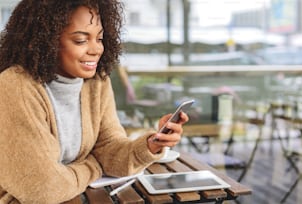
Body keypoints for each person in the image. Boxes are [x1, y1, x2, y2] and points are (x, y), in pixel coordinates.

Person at [0, 0, 189, 203]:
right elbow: (41, 188)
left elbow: (109, 149)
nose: (96, 49)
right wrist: (93, 166)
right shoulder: (14, 86)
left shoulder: (96, 82)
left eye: (99, 38)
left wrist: (150, 146)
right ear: (45, 40)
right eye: (81, 40)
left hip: (73, 196)